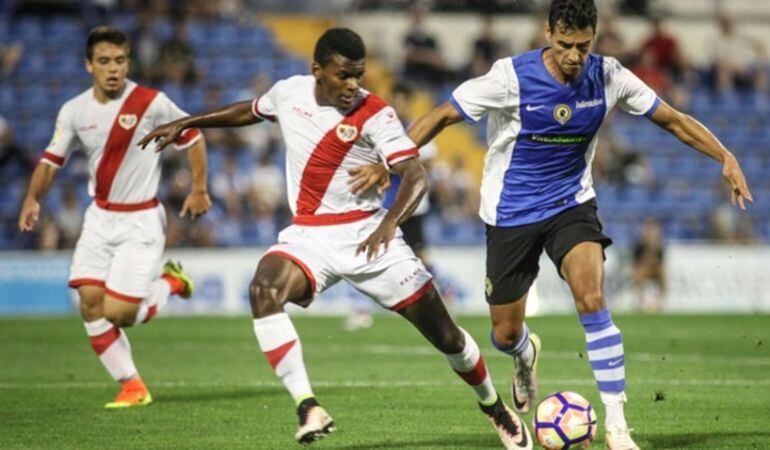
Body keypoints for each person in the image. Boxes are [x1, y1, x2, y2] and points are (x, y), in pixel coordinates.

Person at [140, 28, 531, 448]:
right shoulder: (289, 93)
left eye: (358, 75)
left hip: (370, 236)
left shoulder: (376, 114)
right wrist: (188, 120)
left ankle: (493, 407)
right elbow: (249, 111)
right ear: (318, 71)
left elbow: (415, 174)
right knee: (263, 289)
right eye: (344, 75)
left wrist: (389, 224)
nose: (353, 85)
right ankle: (308, 405)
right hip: (309, 235)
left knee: (448, 338)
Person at [399, 1, 752, 448]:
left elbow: (673, 120)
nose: (574, 56)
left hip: (571, 205)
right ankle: (525, 352)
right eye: (565, 44)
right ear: (547, 32)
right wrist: (389, 159)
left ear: (595, 37)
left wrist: (725, 155)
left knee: (592, 296)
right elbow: (442, 115)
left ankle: (618, 425)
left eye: (583, 46)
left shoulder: (608, 76)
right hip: (511, 213)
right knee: (504, 334)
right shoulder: (509, 78)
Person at [18, 26, 211, 409]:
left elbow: (192, 135)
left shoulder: (151, 102)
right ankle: (132, 386)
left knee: (121, 314)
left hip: (140, 220)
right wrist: (31, 199)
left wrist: (199, 188)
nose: (113, 69)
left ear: (129, 63)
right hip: (100, 218)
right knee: (89, 303)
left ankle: (172, 283)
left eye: (120, 61)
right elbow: (51, 160)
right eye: (104, 61)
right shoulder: (74, 111)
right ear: (88, 64)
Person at [631, 219, 666, 313]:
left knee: (663, 273)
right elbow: (636, 261)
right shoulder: (639, 245)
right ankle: (640, 302)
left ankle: (658, 302)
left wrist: (653, 247)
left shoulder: (659, 246)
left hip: (654, 269)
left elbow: (660, 261)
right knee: (640, 272)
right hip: (642, 269)